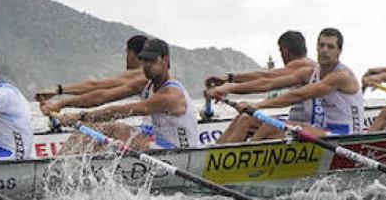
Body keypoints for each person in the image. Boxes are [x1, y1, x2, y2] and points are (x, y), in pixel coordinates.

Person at [216, 27, 364, 144]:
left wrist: (258, 105)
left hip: (344, 136)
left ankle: (242, 167)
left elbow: (299, 95)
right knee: (245, 118)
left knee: (271, 125)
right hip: (319, 129)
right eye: (321, 45)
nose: (324, 50)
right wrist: (228, 87)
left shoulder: (342, 76)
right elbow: (269, 83)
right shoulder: (309, 72)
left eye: (330, 47)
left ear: (339, 51)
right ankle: (210, 158)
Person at [60, 37, 193, 150]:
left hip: (178, 149)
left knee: (114, 129)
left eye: (152, 60)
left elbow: (123, 110)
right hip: (156, 142)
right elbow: (103, 96)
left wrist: (80, 117)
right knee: (93, 129)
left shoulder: (171, 95)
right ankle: (63, 167)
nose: (146, 65)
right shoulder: (145, 84)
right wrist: (62, 104)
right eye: (144, 60)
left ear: (165, 60)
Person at [38, 34, 155, 118]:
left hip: (154, 138)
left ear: (131, 54)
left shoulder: (140, 75)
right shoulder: (149, 75)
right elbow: (99, 90)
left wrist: (59, 96)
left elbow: (99, 90)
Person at [203, 31, 316, 116]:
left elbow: (266, 80)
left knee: (248, 122)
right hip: (299, 120)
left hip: (307, 126)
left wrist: (229, 86)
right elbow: (265, 77)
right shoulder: (304, 65)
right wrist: (229, 78)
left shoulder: (303, 66)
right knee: (245, 120)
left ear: (285, 51)